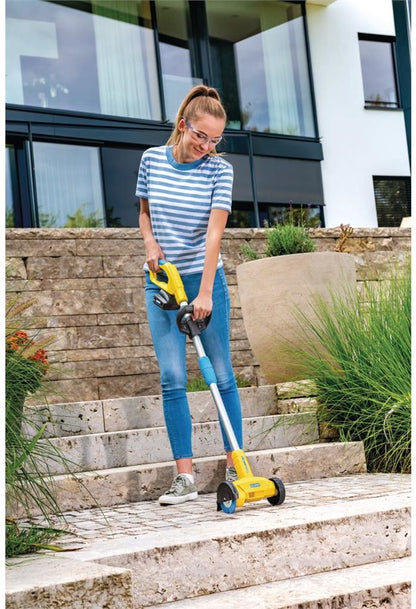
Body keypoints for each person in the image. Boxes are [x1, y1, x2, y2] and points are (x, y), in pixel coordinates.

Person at [136, 84, 243, 506]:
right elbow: (144, 212)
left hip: (205, 280)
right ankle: (184, 478)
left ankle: (237, 463)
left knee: (221, 373)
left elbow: (214, 234)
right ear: (183, 126)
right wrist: (149, 244)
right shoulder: (150, 160)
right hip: (163, 281)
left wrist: (205, 294)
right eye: (201, 136)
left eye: (215, 139)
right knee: (173, 377)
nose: (207, 146)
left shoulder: (219, 170)